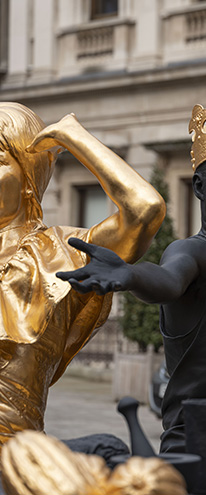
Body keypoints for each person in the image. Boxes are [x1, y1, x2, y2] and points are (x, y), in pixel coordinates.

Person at [56, 93, 206, 453]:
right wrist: (131, 274)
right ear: (199, 188)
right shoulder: (195, 253)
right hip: (201, 448)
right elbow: (168, 280)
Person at [0, 102, 165, 446]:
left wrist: (75, 138)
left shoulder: (60, 251)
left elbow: (144, 210)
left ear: (28, 177)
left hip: (15, 452)